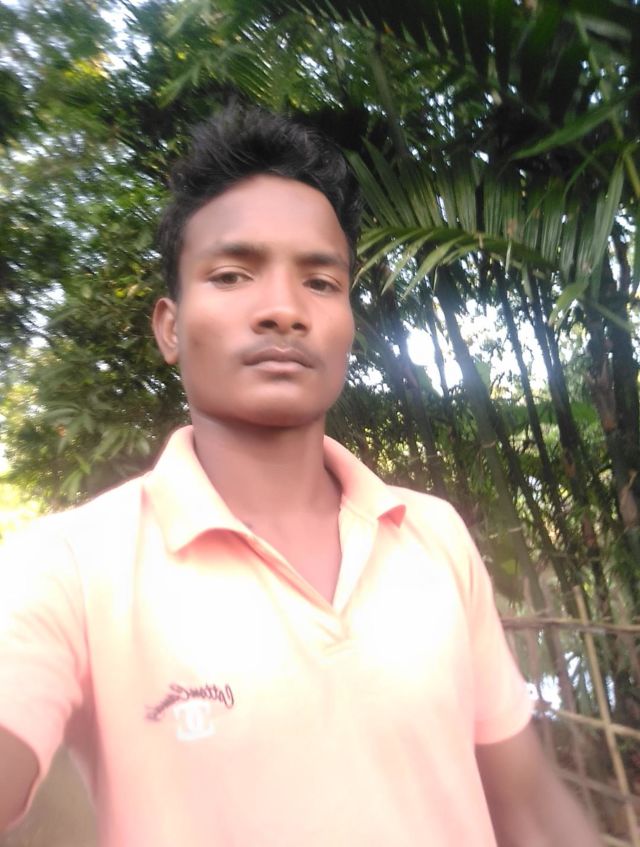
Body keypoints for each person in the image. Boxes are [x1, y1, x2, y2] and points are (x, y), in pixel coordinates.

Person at [0, 106, 602, 846]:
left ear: (348, 320)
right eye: (231, 274)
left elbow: (529, 808)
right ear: (169, 326)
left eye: (320, 282)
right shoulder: (69, 568)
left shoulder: (433, 534)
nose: (284, 310)